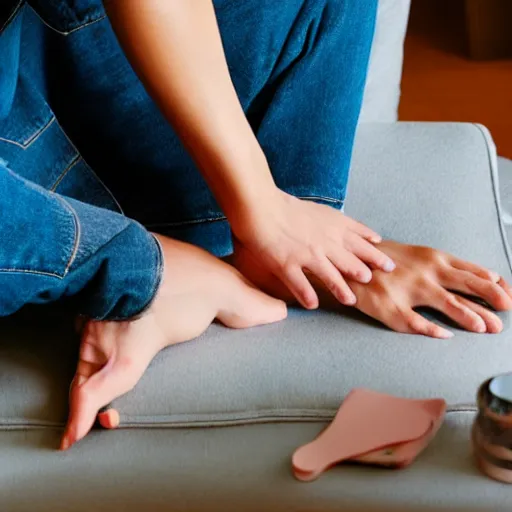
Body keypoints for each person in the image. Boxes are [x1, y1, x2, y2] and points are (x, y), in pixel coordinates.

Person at [1, 0, 510, 451]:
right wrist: (138, 267)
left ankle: (278, 253)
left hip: (50, 70)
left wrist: (270, 213)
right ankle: (173, 271)